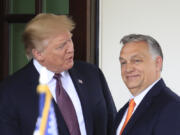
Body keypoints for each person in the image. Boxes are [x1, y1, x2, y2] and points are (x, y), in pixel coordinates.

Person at [0, 13, 117, 135]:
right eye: (61, 46)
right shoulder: (10, 92)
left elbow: (112, 124)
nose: (70, 49)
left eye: (70, 40)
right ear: (38, 54)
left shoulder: (92, 74)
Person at [112, 34, 180, 135]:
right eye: (123, 62)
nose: (128, 69)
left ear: (158, 63)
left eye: (136, 60)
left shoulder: (172, 108)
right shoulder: (123, 112)